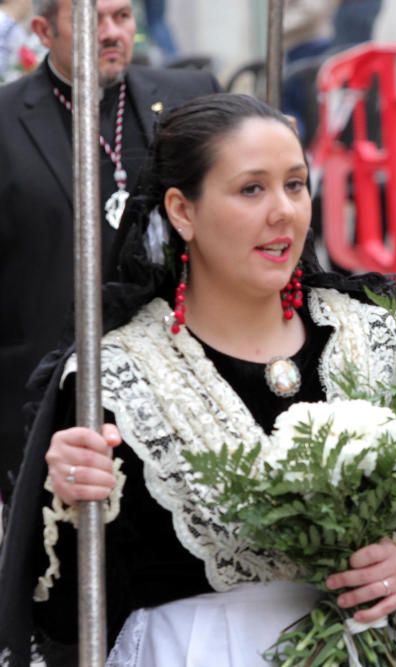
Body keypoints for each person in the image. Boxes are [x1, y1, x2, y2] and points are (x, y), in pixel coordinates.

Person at [0, 94, 396, 667]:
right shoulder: (118, 377)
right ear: (183, 211)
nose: (284, 212)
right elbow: (67, 619)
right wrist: (73, 502)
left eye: (295, 185)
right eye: (252, 189)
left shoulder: (372, 335)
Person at [0, 0, 219, 504]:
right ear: (42, 30)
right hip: (46, 385)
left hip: (171, 375)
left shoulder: (190, 96)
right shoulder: (7, 119)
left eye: (121, 17)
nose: (111, 32)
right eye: (91, 21)